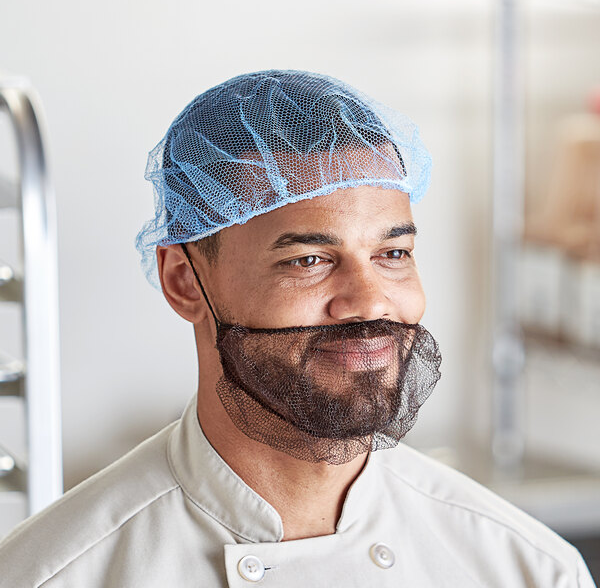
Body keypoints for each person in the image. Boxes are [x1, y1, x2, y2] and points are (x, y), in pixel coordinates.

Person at [0, 70, 594, 587]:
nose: (369, 303)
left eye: (393, 254)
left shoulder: (528, 568)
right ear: (184, 282)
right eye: (308, 260)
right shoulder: (53, 573)